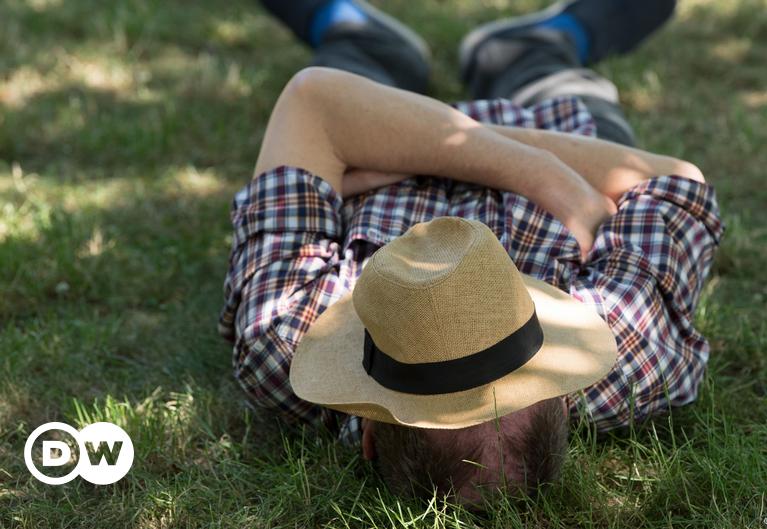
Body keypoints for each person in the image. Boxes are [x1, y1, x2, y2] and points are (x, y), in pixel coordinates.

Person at [219, 0, 723, 506]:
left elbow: (314, 101)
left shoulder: (285, 337)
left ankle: (359, 33)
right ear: (567, 401)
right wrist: (539, 170)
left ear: (368, 434)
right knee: (550, 73)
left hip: (394, 139)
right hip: (557, 136)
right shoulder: (627, 352)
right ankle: (537, 46)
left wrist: (414, 139)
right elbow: (674, 181)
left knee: (353, 63)